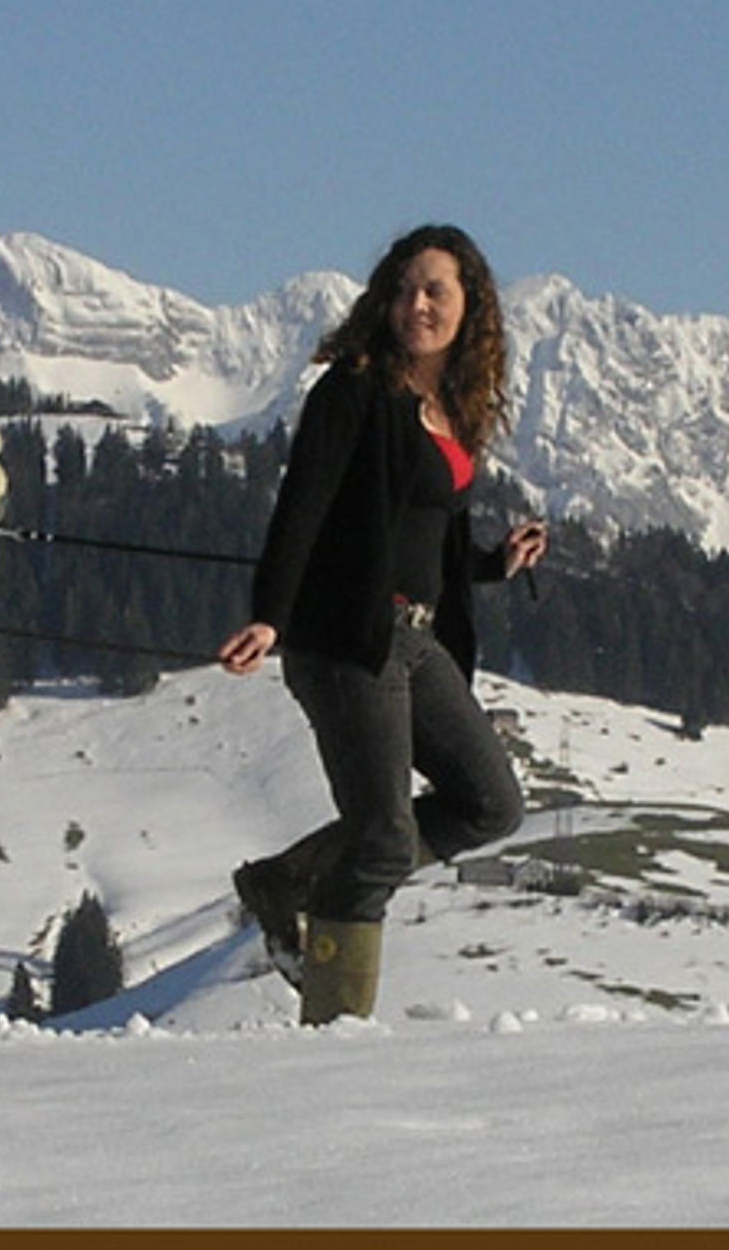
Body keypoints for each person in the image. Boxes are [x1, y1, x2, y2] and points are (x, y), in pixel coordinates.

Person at [216, 223, 548, 1025]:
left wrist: (491, 563)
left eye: (435, 289)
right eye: (404, 289)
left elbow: (417, 536)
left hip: (417, 638)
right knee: (380, 838)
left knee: (490, 802)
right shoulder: (355, 387)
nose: (416, 304)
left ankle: (286, 880)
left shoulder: (451, 405)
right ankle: (335, 1033)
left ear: (472, 306)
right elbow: (304, 507)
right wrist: (269, 615)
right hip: (347, 640)